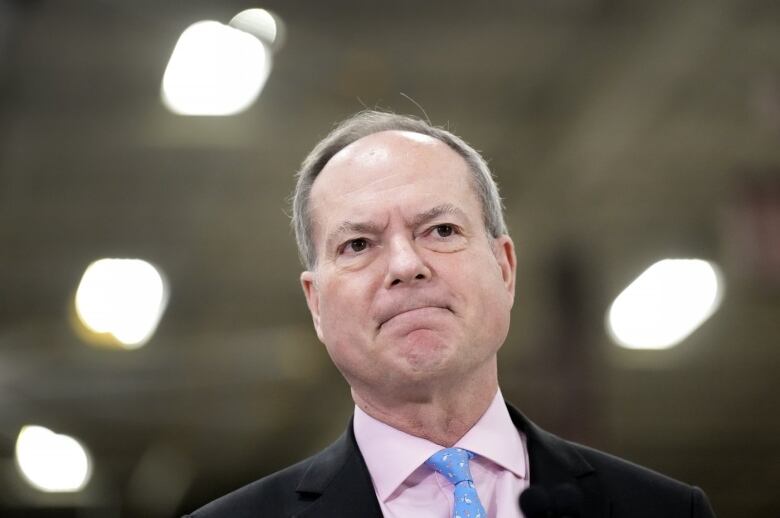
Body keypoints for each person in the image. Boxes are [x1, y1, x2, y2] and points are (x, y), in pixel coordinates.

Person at [185, 111, 716, 517]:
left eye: (440, 231)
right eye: (358, 243)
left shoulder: (665, 510)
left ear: (504, 268)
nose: (405, 265)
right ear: (317, 305)